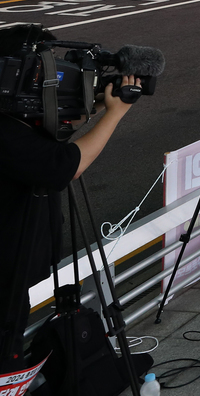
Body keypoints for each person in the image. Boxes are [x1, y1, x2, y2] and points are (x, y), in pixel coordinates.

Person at [0, 27, 141, 373]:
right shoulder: (6, 131)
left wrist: (89, 107)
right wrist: (115, 113)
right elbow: (66, 164)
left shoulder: (11, 117)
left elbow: (45, 140)